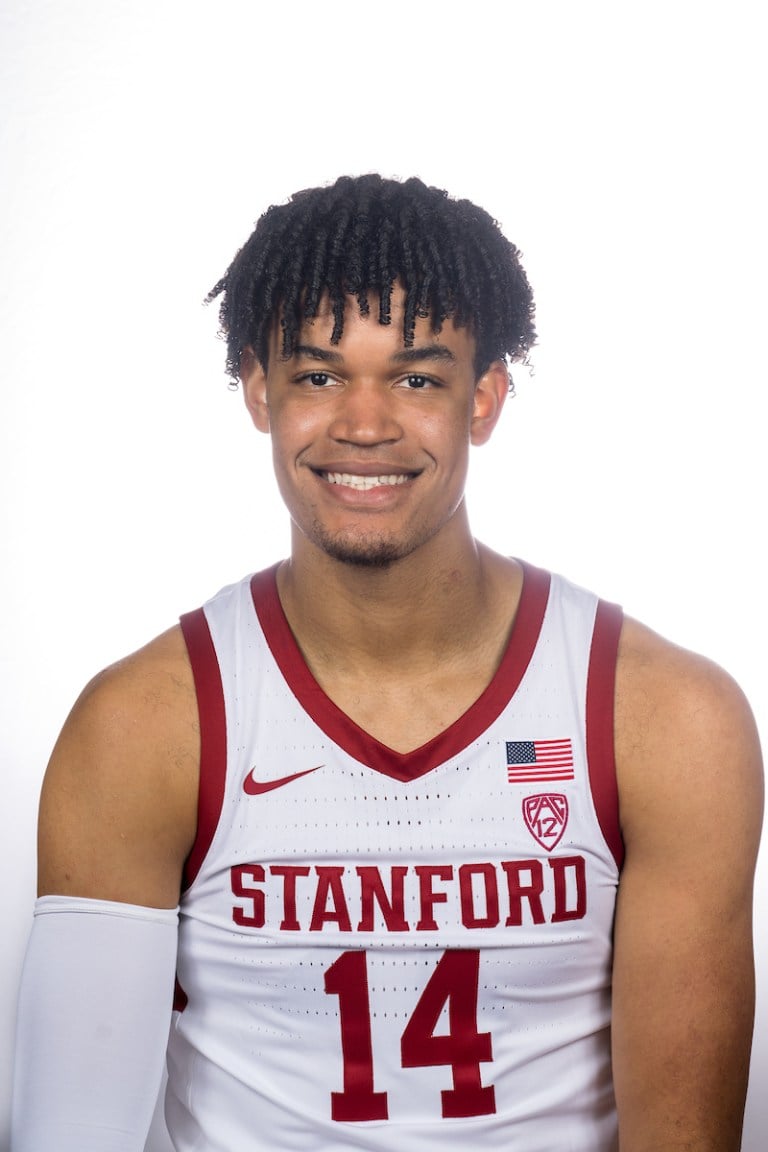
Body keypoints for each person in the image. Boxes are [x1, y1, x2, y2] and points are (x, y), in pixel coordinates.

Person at [11, 174, 763, 1152]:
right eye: (319, 375)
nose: (365, 425)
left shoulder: (663, 720)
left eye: (416, 377)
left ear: (485, 396)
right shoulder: (144, 726)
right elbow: (68, 1135)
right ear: (258, 390)